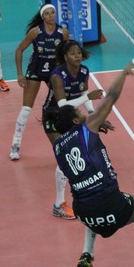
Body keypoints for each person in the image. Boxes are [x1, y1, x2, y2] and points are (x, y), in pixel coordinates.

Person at [46, 56, 134, 267]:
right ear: (76, 119)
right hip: (109, 204)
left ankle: (87, 254)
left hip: (82, 211)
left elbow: (76, 138)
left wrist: (92, 125)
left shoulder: (57, 145)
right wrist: (124, 72)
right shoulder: (86, 128)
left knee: (87, 200)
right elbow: (111, 97)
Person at [42, 40, 107, 219]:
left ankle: (82, 195)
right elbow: (62, 105)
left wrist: (94, 115)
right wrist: (88, 96)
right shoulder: (57, 75)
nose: (77, 56)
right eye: (72, 53)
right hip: (53, 117)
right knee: (64, 157)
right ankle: (59, 204)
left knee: (76, 155)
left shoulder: (84, 71)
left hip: (70, 116)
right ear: (65, 57)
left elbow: (83, 96)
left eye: (78, 52)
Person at [10, 4, 69, 161]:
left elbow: (67, 54)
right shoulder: (35, 32)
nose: (51, 15)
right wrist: (20, 74)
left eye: (53, 13)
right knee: (26, 108)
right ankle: (15, 144)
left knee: (62, 105)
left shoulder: (62, 33)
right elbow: (19, 50)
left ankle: (65, 139)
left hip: (53, 73)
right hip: (35, 71)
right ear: (43, 17)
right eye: (47, 13)